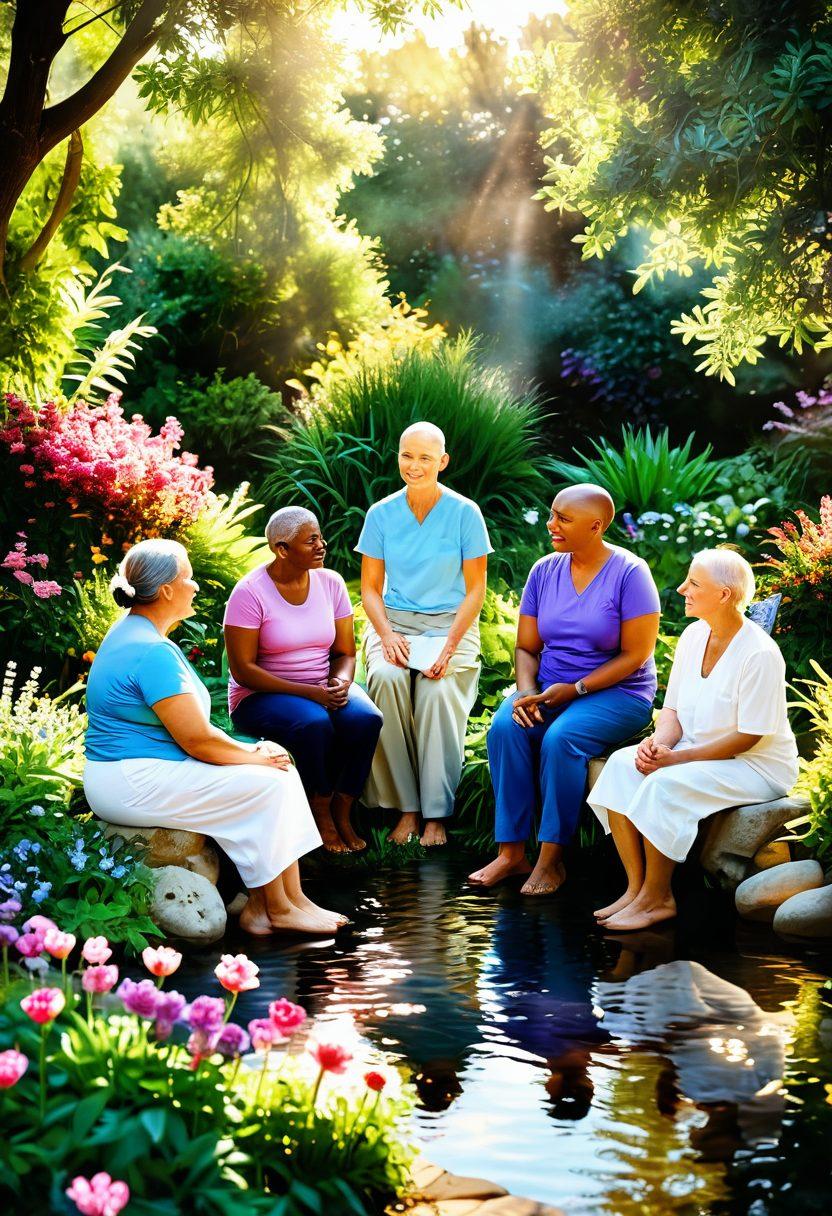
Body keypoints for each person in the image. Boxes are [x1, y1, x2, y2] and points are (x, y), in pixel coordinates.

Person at [83, 539, 346, 938]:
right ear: (168, 589)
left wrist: (257, 756)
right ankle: (274, 908)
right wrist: (253, 754)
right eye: (189, 578)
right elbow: (197, 740)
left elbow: (192, 734)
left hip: (135, 772)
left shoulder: (135, 634)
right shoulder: (151, 650)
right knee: (269, 781)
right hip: (132, 780)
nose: (195, 586)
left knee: (279, 775)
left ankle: (287, 902)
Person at [588, 548, 799, 931]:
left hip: (754, 766)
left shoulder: (760, 654)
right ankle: (636, 890)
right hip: (698, 753)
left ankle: (658, 898)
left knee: (663, 785)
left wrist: (675, 761)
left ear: (724, 595)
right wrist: (660, 744)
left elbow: (749, 737)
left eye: (695, 583)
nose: (683, 588)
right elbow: (672, 711)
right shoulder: (693, 635)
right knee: (621, 764)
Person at [469, 483, 661, 895]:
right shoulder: (544, 570)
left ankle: (552, 860)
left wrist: (575, 689)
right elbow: (526, 646)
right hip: (548, 688)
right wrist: (524, 692)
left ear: (596, 526)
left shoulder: (630, 573)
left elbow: (636, 654)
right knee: (506, 727)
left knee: (561, 739)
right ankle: (511, 853)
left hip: (619, 693)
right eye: (552, 513)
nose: (550, 524)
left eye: (563, 519)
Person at [356, 422, 491, 847]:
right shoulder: (380, 514)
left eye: (425, 458)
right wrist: (387, 635)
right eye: (406, 455)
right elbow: (370, 590)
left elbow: (476, 590)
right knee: (387, 678)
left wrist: (450, 646)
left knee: (435, 693)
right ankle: (407, 809)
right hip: (394, 623)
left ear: (443, 462)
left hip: (451, 626)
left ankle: (436, 815)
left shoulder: (465, 513)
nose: (413, 466)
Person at [224, 507, 383, 853]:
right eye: (310, 540)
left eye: (319, 536)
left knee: (367, 718)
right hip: (260, 695)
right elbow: (243, 670)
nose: (321, 545)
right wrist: (310, 694)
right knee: (314, 723)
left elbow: (345, 652)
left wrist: (340, 682)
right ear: (282, 549)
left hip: (320, 687)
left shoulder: (330, 583)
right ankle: (320, 809)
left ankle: (344, 808)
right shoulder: (249, 592)